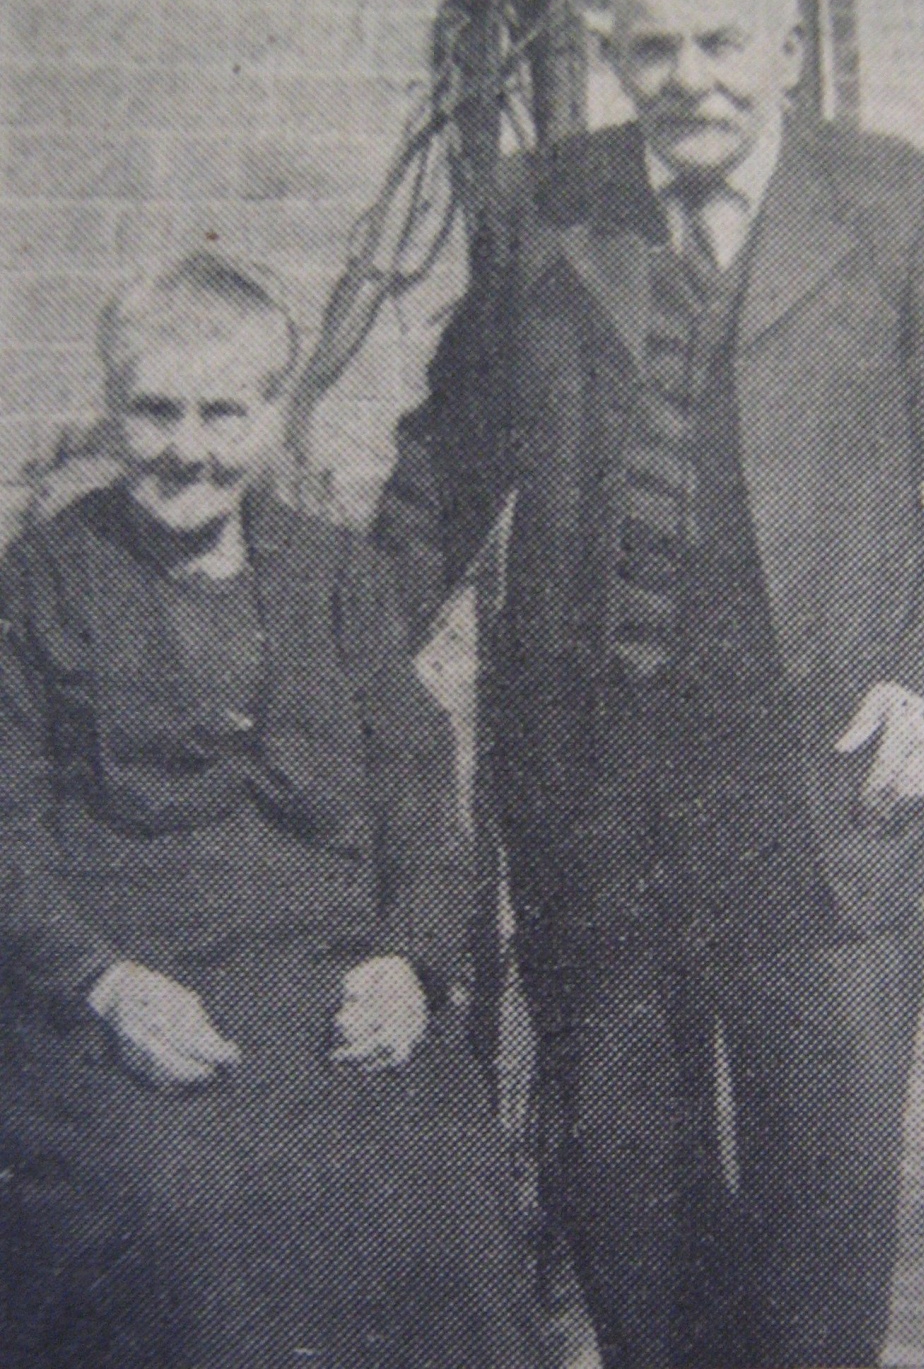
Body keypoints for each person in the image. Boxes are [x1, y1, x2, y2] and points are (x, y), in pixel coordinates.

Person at [374, 0, 924, 1369]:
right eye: (652, 49)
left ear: (787, 55)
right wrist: (335, 649)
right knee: (628, 1186)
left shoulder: (890, 201)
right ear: (611, 60)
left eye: (720, 44)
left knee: (824, 1199)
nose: (688, 77)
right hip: (600, 786)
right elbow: (451, 456)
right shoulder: (545, 203)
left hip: (819, 784)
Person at [0, 250, 538, 1369]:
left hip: (331, 986)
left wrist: (408, 960)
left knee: (445, 1183)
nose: (188, 448)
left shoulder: (336, 577)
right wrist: (102, 980)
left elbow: (417, 795)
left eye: (223, 413)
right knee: (185, 1198)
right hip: (134, 1001)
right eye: (155, 411)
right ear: (112, 409)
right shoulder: (43, 578)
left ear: (271, 415)